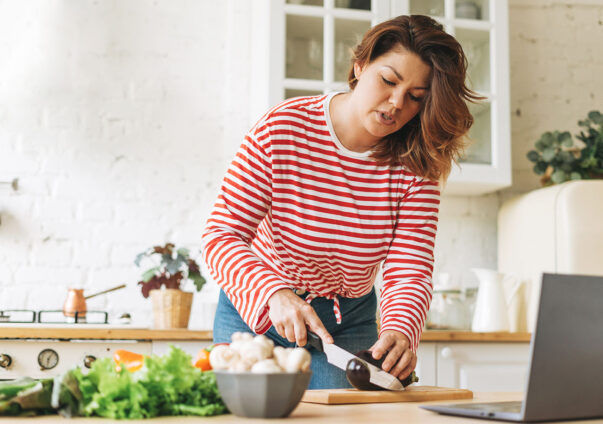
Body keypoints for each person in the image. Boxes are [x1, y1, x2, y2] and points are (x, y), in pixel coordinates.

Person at [202, 14, 479, 389]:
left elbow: (409, 265)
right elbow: (221, 234)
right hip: (258, 308)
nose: (397, 103)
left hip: (346, 321)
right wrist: (273, 294)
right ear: (360, 64)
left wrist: (400, 329)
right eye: (388, 80)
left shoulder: (418, 163)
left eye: (416, 97)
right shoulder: (281, 129)